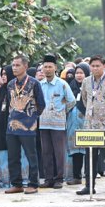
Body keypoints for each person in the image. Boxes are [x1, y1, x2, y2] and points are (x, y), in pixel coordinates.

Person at [77, 55, 105, 196]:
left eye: (98, 66)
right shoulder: (86, 81)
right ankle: (89, 186)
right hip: (90, 125)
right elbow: (84, 99)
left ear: (104, 66)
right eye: (93, 66)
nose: (95, 68)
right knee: (90, 156)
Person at [5, 55, 45, 195]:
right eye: (13, 65)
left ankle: (33, 184)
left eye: (17, 65)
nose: (14, 68)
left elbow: (41, 104)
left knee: (31, 155)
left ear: (25, 66)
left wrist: (32, 117)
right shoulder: (10, 84)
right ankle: (17, 184)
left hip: (28, 126)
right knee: (13, 156)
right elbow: (8, 102)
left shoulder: (34, 83)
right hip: (11, 125)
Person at [38, 55, 76, 190]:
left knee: (59, 152)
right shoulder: (40, 84)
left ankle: (59, 179)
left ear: (55, 68)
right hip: (43, 123)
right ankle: (48, 179)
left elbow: (71, 101)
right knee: (46, 152)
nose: (47, 69)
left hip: (58, 124)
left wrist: (62, 111)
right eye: (45, 67)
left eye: (50, 67)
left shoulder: (62, 84)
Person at [66, 63, 89, 186]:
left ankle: (90, 176)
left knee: (88, 150)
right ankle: (76, 176)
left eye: (82, 73)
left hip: (86, 123)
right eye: (77, 73)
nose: (79, 76)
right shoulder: (70, 87)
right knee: (76, 151)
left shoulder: (91, 87)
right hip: (73, 124)